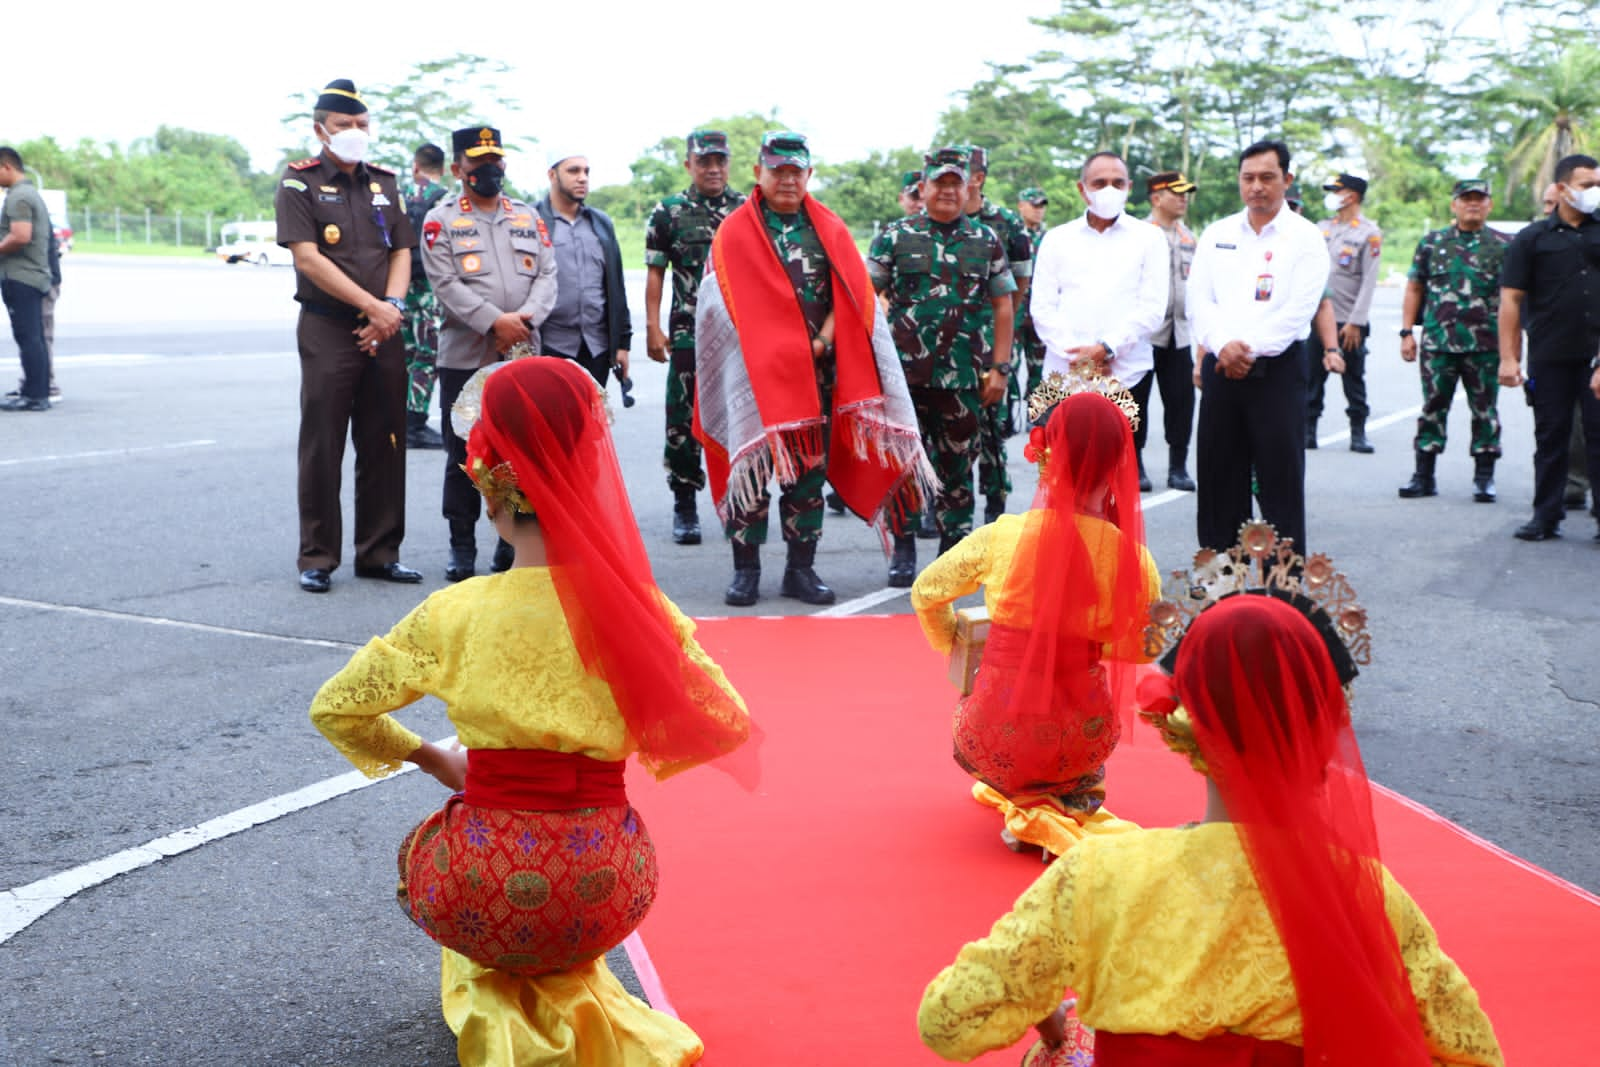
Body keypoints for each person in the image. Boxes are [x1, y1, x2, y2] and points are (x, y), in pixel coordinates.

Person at [310, 356, 752, 1067]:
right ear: (587, 477)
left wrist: (435, 756)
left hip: (482, 885)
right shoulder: (636, 615)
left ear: (487, 487)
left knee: (421, 849)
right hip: (607, 886)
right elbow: (724, 719)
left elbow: (337, 709)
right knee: (585, 880)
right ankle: (571, 979)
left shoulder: (451, 613)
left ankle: (500, 983)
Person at [918, 573, 1503, 1066]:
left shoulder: (1098, 875)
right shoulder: (1365, 895)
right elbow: (1473, 1054)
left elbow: (948, 1022)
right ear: (1323, 731)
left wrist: (1049, 1023)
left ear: (1185, 723)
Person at [911, 390, 1158, 856]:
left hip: (993, 734)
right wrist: (1090, 643)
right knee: (1080, 742)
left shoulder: (1002, 536)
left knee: (983, 708)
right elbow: (1145, 647)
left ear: (1047, 455)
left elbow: (925, 592)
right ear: (1119, 464)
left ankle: (1026, 804)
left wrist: (955, 647)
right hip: (1082, 740)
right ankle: (1063, 802)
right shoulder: (1134, 561)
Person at [694, 131, 932, 607]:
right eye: (777, 170)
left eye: (795, 171)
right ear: (759, 172)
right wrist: (764, 348)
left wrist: (822, 340)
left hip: (816, 374)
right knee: (754, 473)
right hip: (755, 377)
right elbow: (715, 306)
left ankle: (800, 571)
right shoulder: (734, 232)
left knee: (806, 476)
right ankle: (746, 571)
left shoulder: (828, 228)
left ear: (808, 174)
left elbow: (850, 295)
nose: (786, 179)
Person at [274, 80, 421, 593]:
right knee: (323, 443)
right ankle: (317, 556)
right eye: (343, 126)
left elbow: (402, 250)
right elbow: (307, 257)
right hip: (329, 327)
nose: (355, 134)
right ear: (320, 130)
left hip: (385, 328)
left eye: (361, 125)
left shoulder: (385, 182)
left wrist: (393, 309)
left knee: (386, 440)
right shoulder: (299, 184)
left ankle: (380, 552)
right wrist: (372, 307)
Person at [869, 146, 1017, 585]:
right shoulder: (896, 236)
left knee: (957, 470)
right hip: (905, 379)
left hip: (965, 377)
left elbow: (1003, 306)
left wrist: (1001, 367)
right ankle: (905, 550)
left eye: (957, 183)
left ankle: (952, 557)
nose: (949, 191)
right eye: (940, 183)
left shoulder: (985, 239)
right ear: (924, 187)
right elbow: (864, 297)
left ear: (969, 185)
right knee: (906, 467)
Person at [421, 126, 559, 582]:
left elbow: (547, 276)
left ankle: (511, 543)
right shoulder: (440, 220)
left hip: (520, 353)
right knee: (464, 454)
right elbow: (445, 285)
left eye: (495, 160)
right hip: (465, 357)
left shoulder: (526, 216)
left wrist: (523, 321)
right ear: (459, 168)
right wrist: (493, 322)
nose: (489, 169)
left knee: (516, 452)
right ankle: (462, 547)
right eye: (479, 162)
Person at [1189, 140, 1328, 556]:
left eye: (1267, 177)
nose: (1257, 187)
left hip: (1278, 370)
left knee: (1279, 479)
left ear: (1286, 179)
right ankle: (1218, 580)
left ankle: (1281, 586)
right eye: (1248, 178)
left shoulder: (1305, 238)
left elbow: (1297, 311)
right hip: (1221, 368)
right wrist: (1221, 346)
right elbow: (1199, 301)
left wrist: (1245, 350)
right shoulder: (1217, 234)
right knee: (1217, 476)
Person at [1030, 151, 1169, 491]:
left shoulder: (1149, 238)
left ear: (1129, 188)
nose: (1109, 189)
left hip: (1125, 375)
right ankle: (1065, 547)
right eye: (1099, 183)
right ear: (1082, 189)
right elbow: (1043, 308)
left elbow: (1151, 307)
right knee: (1063, 482)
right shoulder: (1057, 239)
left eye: (1117, 183)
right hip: (1065, 376)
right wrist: (1081, 357)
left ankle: (1114, 546)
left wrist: (1106, 349)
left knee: (1117, 485)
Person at [645, 130, 747, 548]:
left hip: (740, 338)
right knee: (683, 422)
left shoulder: (746, 209)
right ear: (689, 164)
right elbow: (656, 272)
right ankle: (685, 503)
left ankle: (742, 502)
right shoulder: (668, 212)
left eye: (720, 161)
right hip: (688, 334)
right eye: (704, 161)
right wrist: (653, 327)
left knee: (741, 418)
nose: (713, 168)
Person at [1498, 153, 1600, 542]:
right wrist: (1509, 358)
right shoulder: (1532, 239)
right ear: (1561, 189)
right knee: (1551, 437)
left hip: (1597, 357)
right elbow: (1510, 300)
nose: (1594, 192)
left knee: (1598, 437)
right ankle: (1546, 516)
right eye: (1586, 185)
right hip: (1551, 356)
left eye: (1598, 184)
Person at [1398, 179, 1510, 502]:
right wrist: (1407, 332)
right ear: (1454, 205)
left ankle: (1484, 477)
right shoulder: (1432, 243)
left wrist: (1511, 349)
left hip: (1485, 346)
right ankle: (1424, 475)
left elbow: (1512, 298)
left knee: (1485, 410)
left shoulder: (1503, 246)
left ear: (1489, 204)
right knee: (1433, 407)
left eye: (1479, 199)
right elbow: (1415, 288)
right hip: (1438, 344)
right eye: (1466, 199)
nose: (1472, 204)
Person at [963, 147, 1035, 522]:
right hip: (944, 346)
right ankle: (936, 506)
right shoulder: (935, 220)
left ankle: (995, 507)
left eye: (963, 171)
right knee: (939, 435)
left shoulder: (1004, 223)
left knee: (992, 432)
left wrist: (999, 321)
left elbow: (1021, 280)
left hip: (992, 343)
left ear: (978, 177)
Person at [536, 151, 631, 389]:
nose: (582, 178)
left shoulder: (600, 223)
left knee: (591, 421)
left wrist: (622, 343)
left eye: (586, 172)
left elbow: (616, 285)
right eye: (573, 171)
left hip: (596, 347)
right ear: (552, 175)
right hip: (549, 345)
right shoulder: (532, 220)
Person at [1309, 173, 1383, 453]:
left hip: (1348, 319)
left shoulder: (1368, 233)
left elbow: (1369, 281)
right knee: (1312, 377)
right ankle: (1308, 429)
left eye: (1335, 190)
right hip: (1317, 318)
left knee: (1353, 378)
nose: (1331, 195)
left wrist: (1356, 321)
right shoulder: (1321, 229)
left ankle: (1358, 432)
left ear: (1351, 195)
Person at [1142, 170, 1200, 491]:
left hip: (1179, 333)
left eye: (1185, 193)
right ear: (1156, 198)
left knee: (1181, 402)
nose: (1182, 198)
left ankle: (1177, 467)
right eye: (1176, 193)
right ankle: (1134, 465)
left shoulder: (1189, 237)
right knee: (1134, 402)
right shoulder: (1138, 234)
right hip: (1145, 334)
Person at [401, 142, 450, 451]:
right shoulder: (446, 200)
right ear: (442, 170)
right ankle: (415, 422)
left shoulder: (396, 197)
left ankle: (399, 416)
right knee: (428, 354)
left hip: (399, 284)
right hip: (431, 286)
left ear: (415, 167)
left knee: (404, 352)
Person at [0, 146, 53, 412]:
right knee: (34, 337)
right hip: (31, 277)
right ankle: (37, 391)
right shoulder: (28, 193)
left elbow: (20, 236)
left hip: (21, 277)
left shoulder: (18, 197)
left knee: (28, 337)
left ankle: (34, 396)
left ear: (7, 167)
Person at [1015, 187, 1050, 407]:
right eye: (1033, 205)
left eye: (1041, 206)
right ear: (1021, 205)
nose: (1038, 210)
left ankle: (1037, 412)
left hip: (1041, 311)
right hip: (1016, 309)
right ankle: (1005, 416)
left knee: (1040, 364)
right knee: (1008, 365)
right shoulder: (1012, 235)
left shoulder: (1050, 238)